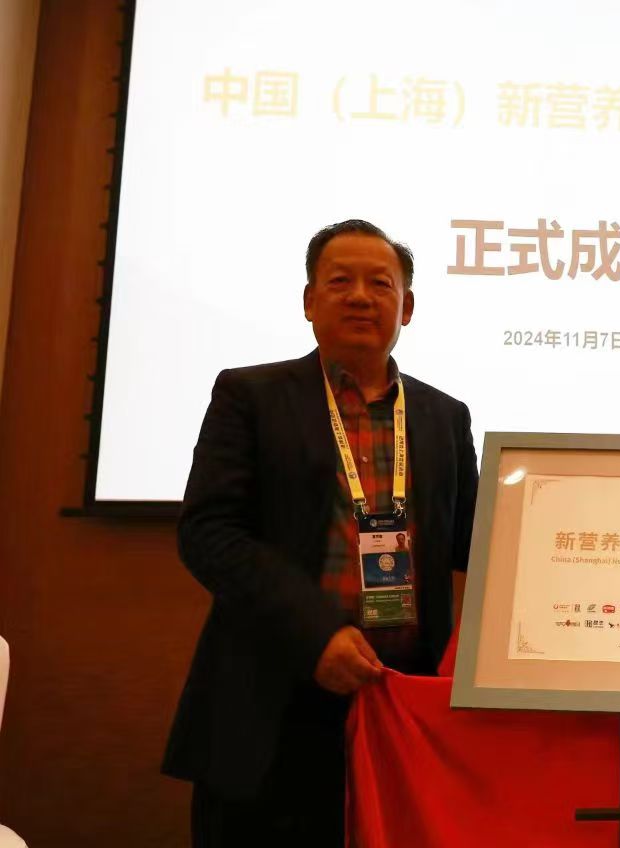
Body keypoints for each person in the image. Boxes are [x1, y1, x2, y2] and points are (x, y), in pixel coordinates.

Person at [163, 219, 478, 846]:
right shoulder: (249, 395)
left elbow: (474, 541)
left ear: (406, 307)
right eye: (340, 282)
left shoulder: (444, 416)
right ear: (309, 301)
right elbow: (209, 533)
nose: (360, 296)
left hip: (401, 704)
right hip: (272, 700)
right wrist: (316, 634)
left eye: (380, 283)